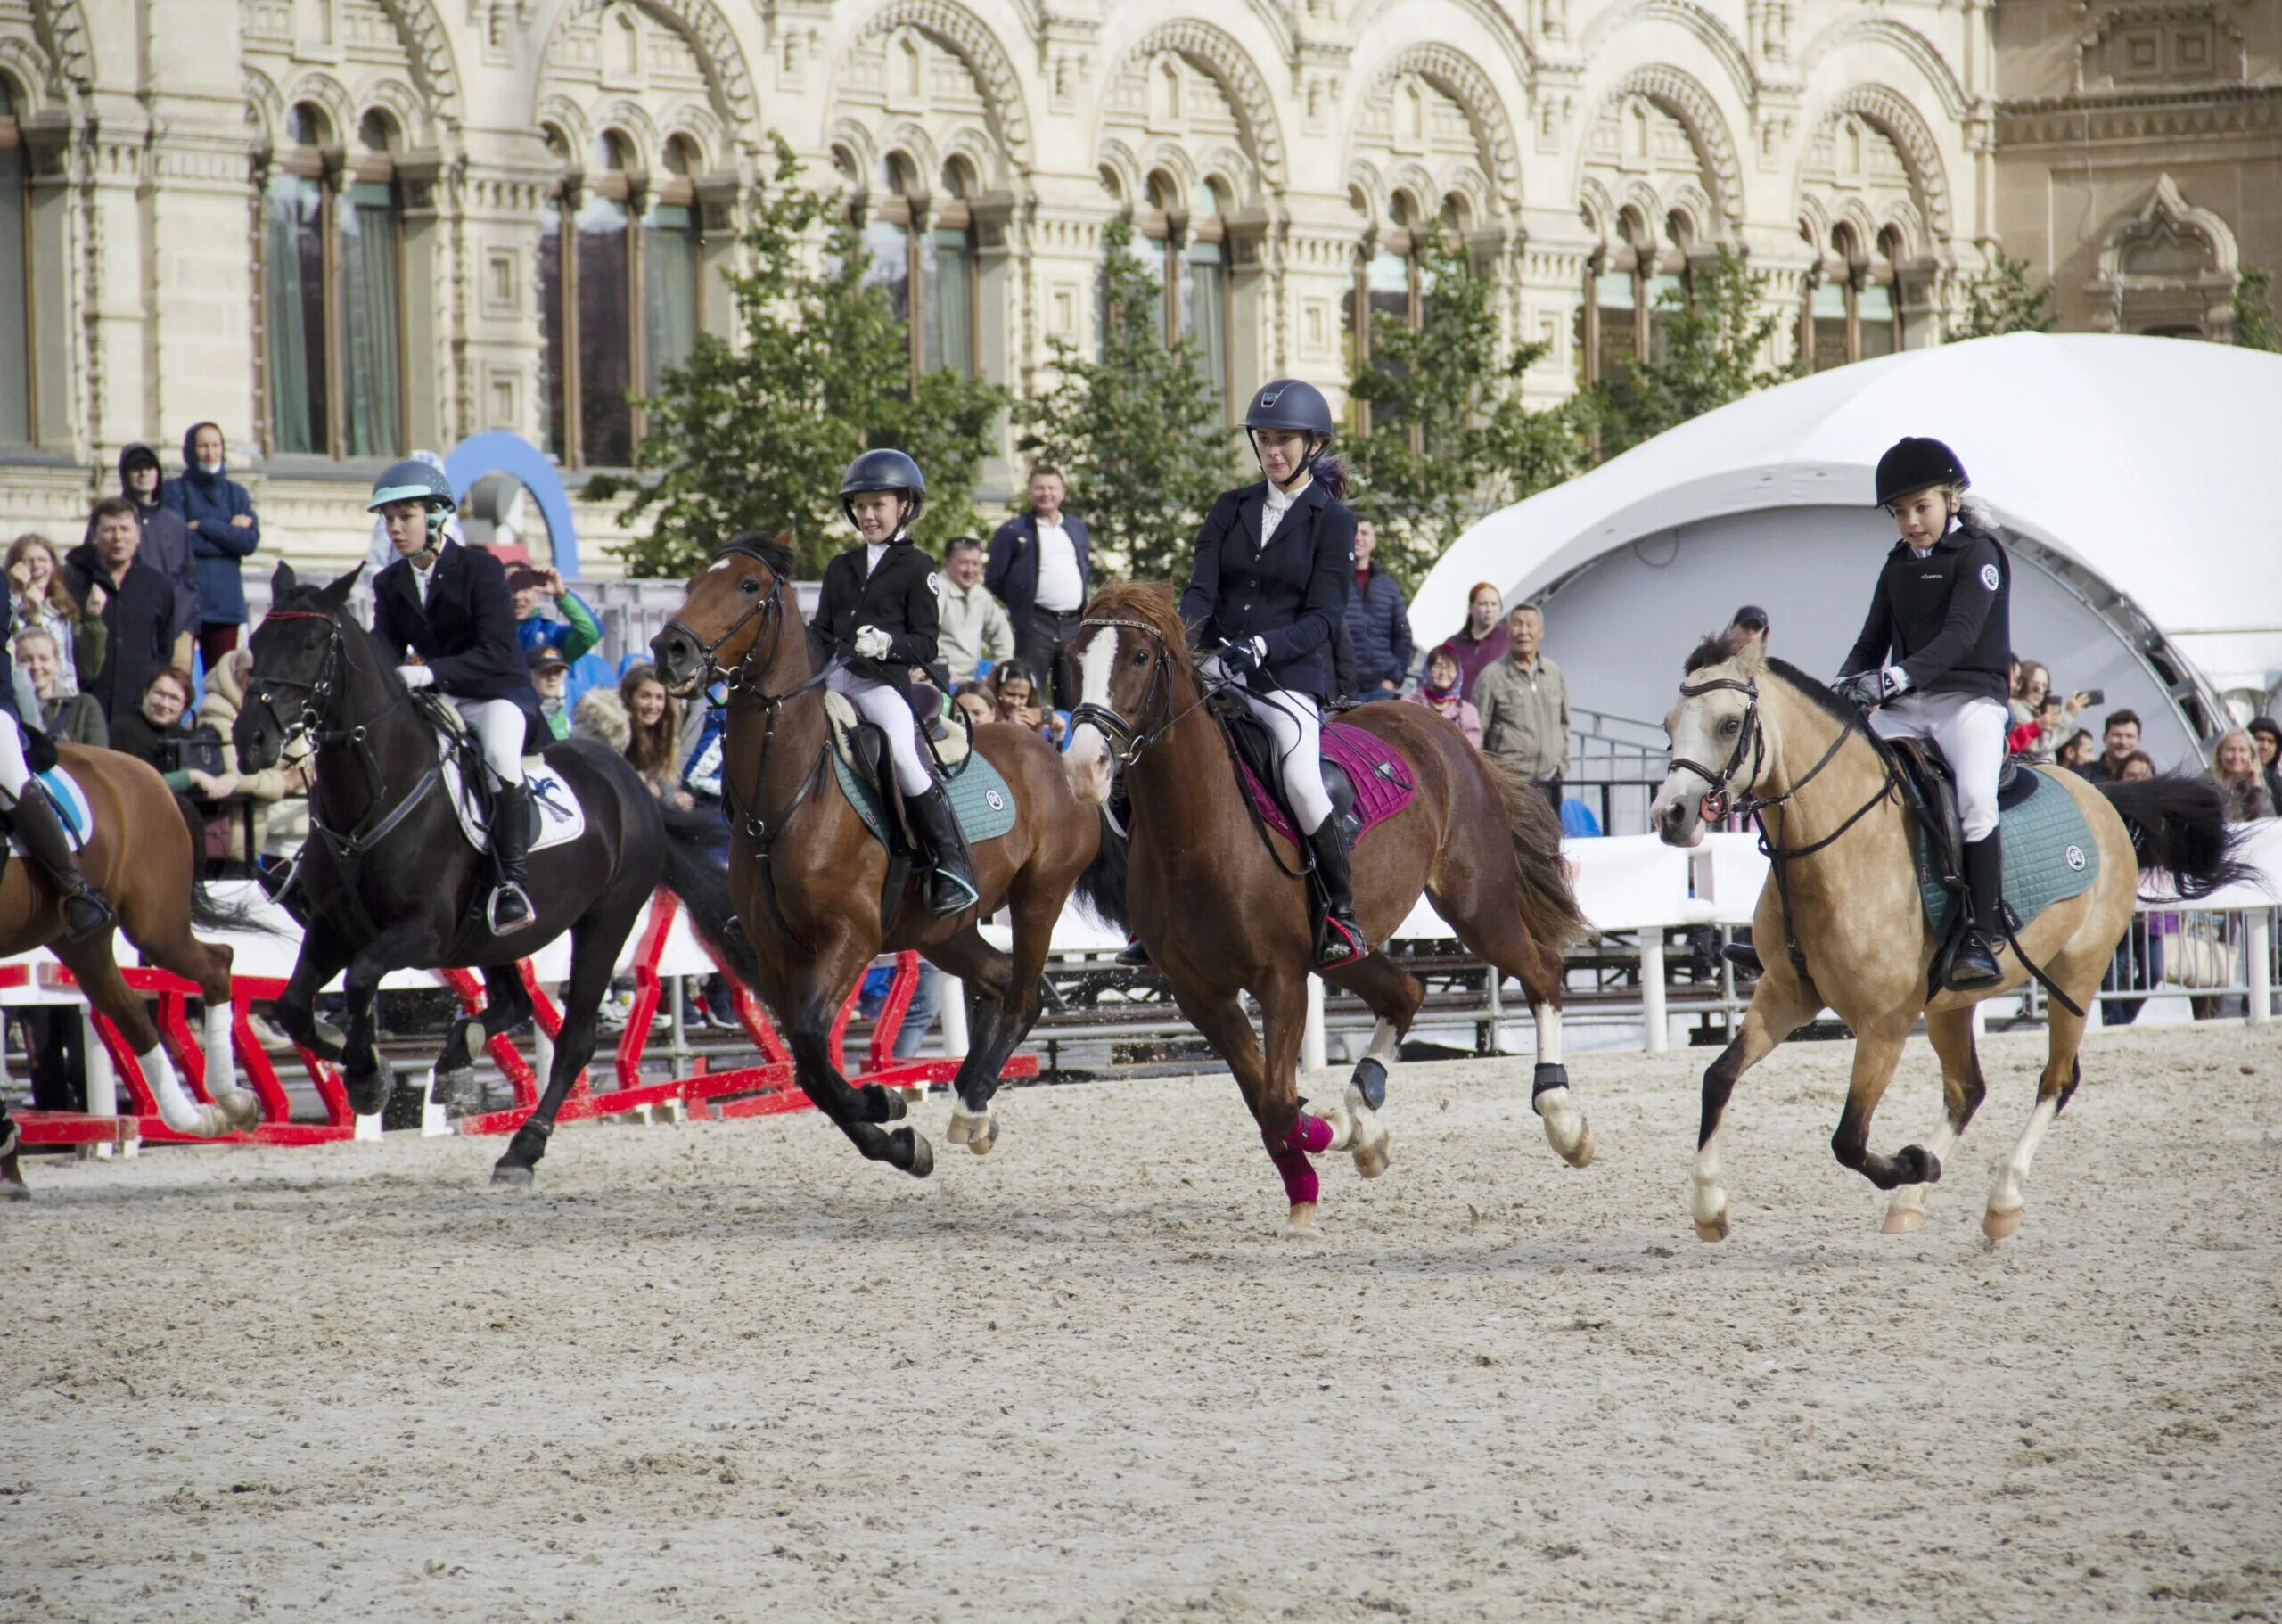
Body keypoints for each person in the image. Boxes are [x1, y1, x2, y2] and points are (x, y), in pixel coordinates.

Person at [1178, 378, 1363, 968]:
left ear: (1312, 446)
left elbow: (1323, 617)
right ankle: (1147, 911)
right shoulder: (1229, 507)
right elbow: (1202, 589)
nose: (1272, 453)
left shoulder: (1332, 523)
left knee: (1302, 778)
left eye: (1284, 441)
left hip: (1286, 678)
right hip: (1218, 668)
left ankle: (1342, 911)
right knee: (1153, 750)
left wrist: (1260, 646)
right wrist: (1184, 644)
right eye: (1263, 441)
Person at [1834, 436, 2013, 989]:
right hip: (1905, 708)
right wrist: (1839, 688)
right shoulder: (1896, 566)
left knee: (1977, 800)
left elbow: (1960, 636)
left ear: (1951, 501)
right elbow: (1871, 641)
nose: (1911, 521)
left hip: (1969, 702)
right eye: (1899, 512)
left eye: (1921, 507)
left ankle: (1980, 934)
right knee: (1836, 779)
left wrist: (1896, 676)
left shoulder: (1980, 555)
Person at [367, 458, 541, 935]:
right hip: (440, 699)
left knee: (501, 759)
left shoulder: (481, 569)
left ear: (437, 517)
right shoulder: (389, 582)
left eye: (406, 517)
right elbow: (384, 649)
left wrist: (429, 675)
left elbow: (497, 651)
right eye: (389, 519)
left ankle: (512, 884)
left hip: (494, 693)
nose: (395, 529)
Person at [814, 449, 977, 916]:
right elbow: (822, 632)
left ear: (905, 506)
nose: (868, 515)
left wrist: (887, 644)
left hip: (881, 684)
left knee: (904, 757)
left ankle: (950, 864)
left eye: (878, 505)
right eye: (861, 507)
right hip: (835, 677)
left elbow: (926, 644)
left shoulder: (918, 566)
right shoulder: (840, 567)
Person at [64, 497, 191, 728]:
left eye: (125, 529)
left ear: (138, 536)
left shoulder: (159, 586)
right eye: (109, 530)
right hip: (88, 704)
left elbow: (165, 649)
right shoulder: (73, 582)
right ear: (94, 536)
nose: (118, 538)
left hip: (138, 711)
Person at [187, 649, 308, 867]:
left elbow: (305, 768)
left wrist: (277, 777)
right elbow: (233, 774)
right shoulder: (216, 708)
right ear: (235, 672)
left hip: (277, 829)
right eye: (251, 672)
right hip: (231, 835)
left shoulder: (276, 707)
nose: (258, 679)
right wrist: (285, 781)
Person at [986, 463, 1090, 710]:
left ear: (1063, 492)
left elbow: (1084, 566)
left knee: (1073, 692)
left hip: (1073, 624)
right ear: (1030, 493)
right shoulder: (1012, 531)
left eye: (1052, 488)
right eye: (1040, 488)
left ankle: (1067, 745)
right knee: (1028, 690)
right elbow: (994, 579)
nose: (1046, 493)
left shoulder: (1077, 527)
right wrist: (1021, 604)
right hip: (1035, 624)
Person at [158, 422, 260, 668]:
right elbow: (176, 541)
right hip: (184, 601)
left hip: (225, 604)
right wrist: (228, 530)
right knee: (178, 676)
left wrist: (204, 525)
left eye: (216, 445)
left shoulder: (237, 494)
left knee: (221, 680)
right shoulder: (174, 491)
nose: (210, 452)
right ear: (191, 450)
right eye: (203, 446)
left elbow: (248, 542)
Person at [1473, 603, 1570, 813]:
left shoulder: (1553, 672)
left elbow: (1564, 723)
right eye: (1517, 624)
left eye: (1530, 624)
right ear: (1507, 632)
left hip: (1550, 780)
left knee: (1552, 842)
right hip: (1512, 784)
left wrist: (1562, 765)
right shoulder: (1491, 676)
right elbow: (1477, 732)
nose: (1524, 631)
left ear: (1541, 631)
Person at [7, 534, 108, 699]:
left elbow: (88, 668)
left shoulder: (63, 611)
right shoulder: (10, 605)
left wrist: (93, 619)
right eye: (29, 561)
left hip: (65, 699)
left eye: (43, 560)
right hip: (24, 699)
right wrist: (19, 597)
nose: (36, 566)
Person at [1342, 517, 1413, 701]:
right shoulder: (1335, 582)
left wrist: (1393, 678)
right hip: (1344, 689)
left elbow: (1403, 636)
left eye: (1365, 533)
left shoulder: (1388, 587)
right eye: (1354, 533)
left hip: (1381, 690)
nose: (1358, 538)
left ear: (1373, 542)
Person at [106, 666, 201, 791]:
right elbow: (138, 783)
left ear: (184, 708)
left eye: (174, 699)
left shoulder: (182, 736)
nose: (164, 704)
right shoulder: (124, 728)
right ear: (146, 693)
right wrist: (189, 777)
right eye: (159, 694)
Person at [936, 537, 1014, 684]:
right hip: (940, 678)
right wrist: (942, 672)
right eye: (963, 563)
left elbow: (1001, 632)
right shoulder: (936, 591)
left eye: (975, 564)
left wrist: (999, 670)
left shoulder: (980, 594)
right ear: (946, 564)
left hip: (971, 677)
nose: (970, 570)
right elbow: (928, 637)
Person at [15, 630, 105, 748]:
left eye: (43, 659)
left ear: (57, 663)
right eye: (26, 659)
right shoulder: (8, 709)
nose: (36, 666)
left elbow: (98, 756)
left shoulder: (84, 706)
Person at [621, 664, 691, 808]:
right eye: (645, 696)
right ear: (629, 697)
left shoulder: (663, 737)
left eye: (659, 698)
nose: (653, 705)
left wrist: (675, 799)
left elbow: (664, 789)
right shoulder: (615, 737)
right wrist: (640, 788)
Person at [509, 562, 603, 664]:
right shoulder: (490, 631)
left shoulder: (550, 634)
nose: (517, 597)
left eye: (525, 589)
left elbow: (590, 633)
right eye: (510, 588)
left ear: (538, 593)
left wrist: (562, 595)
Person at [1441, 582, 1509, 702]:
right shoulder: (1453, 644)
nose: (1489, 609)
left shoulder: (1509, 641)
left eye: (1494, 604)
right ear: (1471, 608)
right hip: (1456, 713)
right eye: (1483, 604)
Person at [1404, 644, 1482, 747]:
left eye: (1449, 667)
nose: (1443, 672)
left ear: (1457, 673)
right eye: (1438, 666)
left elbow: (1471, 753)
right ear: (1428, 669)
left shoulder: (1467, 712)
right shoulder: (1409, 703)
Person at [991, 660, 1062, 744]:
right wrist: (1007, 729)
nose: (1016, 703)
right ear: (997, 691)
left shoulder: (1035, 719)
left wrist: (1058, 734)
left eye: (1022, 697)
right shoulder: (986, 714)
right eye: (1010, 694)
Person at [2212, 728, 2276, 821]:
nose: (2236, 756)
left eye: (2242, 751)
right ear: (2220, 754)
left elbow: (2268, 823)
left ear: (2252, 756)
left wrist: (2257, 788)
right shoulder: (2206, 784)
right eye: (2231, 750)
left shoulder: (2257, 787)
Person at [2081, 709, 2141, 784]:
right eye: (2117, 735)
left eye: (2129, 736)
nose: (2123, 742)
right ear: (2104, 738)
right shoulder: (2081, 776)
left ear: (2138, 740)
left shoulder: (2146, 778)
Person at [2241, 715, 2281, 820]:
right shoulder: (2228, 776)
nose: (2265, 746)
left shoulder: (2277, 783)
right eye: (2259, 739)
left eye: (2271, 742)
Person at [529, 645, 572, 740]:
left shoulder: (567, 715)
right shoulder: (521, 714)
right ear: (529, 675)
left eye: (557, 672)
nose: (552, 678)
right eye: (545, 672)